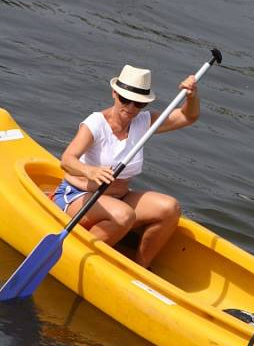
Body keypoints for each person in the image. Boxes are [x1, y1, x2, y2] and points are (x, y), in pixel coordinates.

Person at [52, 64, 199, 268]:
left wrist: (191, 96)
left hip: (119, 198)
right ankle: (77, 259)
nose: (130, 109)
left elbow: (187, 116)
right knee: (123, 215)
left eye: (138, 104)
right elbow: (67, 160)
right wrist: (90, 171)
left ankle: (139, 269)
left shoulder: (144, 122)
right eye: (125, 100)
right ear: (114, 93)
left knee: (169, 208)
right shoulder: (95, 123)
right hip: (78, 196)